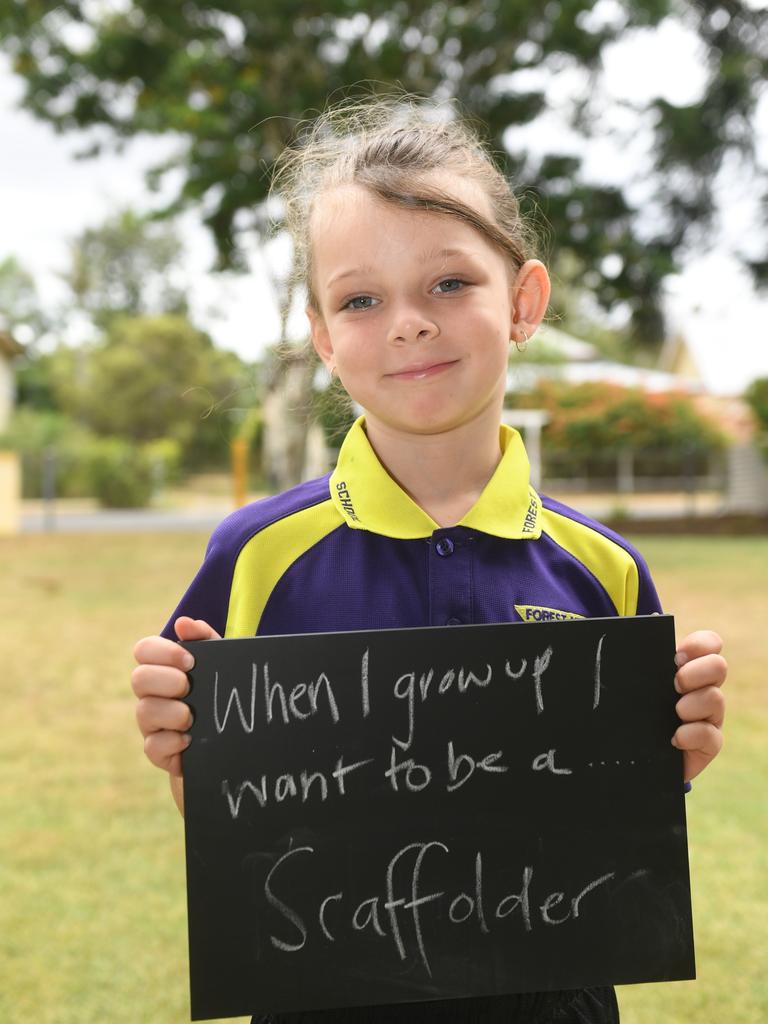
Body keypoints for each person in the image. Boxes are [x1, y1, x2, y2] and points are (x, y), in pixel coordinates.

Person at [131, 94, 727, 1024]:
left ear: (524, 301)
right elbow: (234, 823)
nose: (407, 322)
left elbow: (617, 835)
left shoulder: (601, 567)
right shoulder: (255, 555)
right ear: (325, 339)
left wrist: (670, 762)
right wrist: (182, 757)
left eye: (450, 283)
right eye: (361, 299)